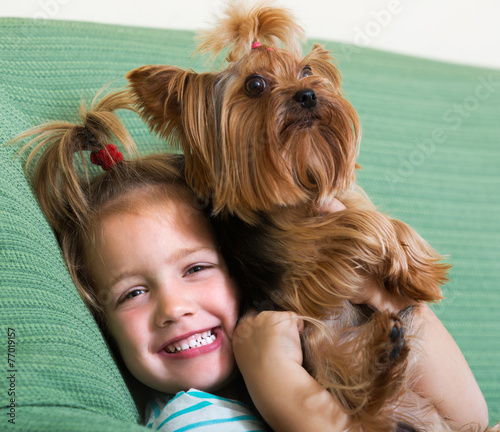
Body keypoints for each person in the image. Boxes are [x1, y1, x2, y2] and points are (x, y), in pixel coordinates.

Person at [16, 90, 489, 432]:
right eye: (132, 293)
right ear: (101, 323)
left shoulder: (314, 361)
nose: (174, 306)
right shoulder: (194, 419)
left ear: (242, 269)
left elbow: (469, 417)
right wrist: (276, 378)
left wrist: (380, 295)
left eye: (196, 269)